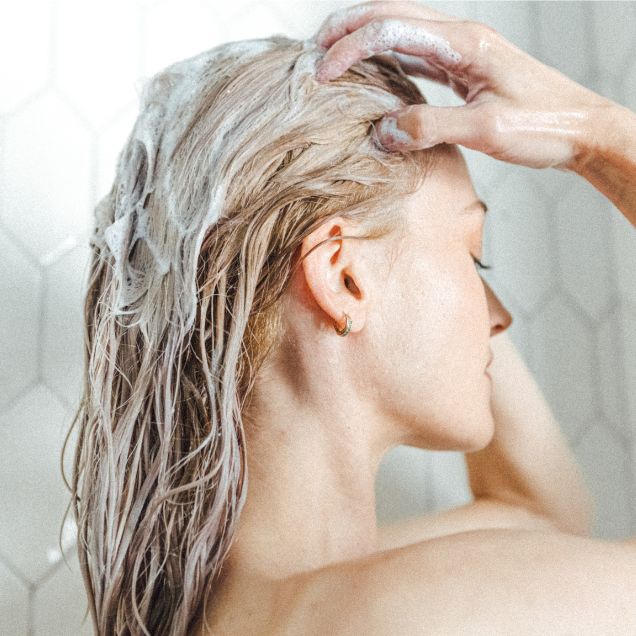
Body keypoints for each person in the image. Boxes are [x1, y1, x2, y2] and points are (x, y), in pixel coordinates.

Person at [63, 2, 636, 635]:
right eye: (475, 257)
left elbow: (544, 513)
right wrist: (598, 137)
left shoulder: (243, 607)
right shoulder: (393, 612)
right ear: (343, 278)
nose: (498, 317)